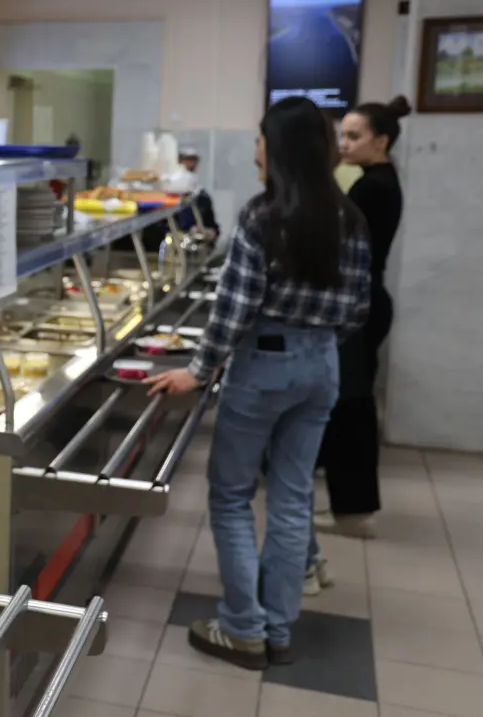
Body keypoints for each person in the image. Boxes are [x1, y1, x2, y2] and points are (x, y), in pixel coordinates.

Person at [146, 97, 372, 670]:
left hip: (264, 364)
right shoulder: (350, 218)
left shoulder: (262, 216)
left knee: (231, 495)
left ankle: (242, 628)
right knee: (293, 496)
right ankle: (277, 626)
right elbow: (357, 310)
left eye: (260, 139)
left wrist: (199, 369)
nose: (255, 151)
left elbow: (236, 307)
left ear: (280, 148)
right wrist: (314, 343)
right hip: (322, 364)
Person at [311, 97, 407, 542]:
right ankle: (351, 504)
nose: (345, 144)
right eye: (341, 136)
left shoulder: (373, 187)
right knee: (351, 406)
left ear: (381, 141)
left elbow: (338, 240)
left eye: (354, 136)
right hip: (369, 301)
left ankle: (354, 512)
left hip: (362, 304)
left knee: (352, 409)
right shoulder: (377, 179)